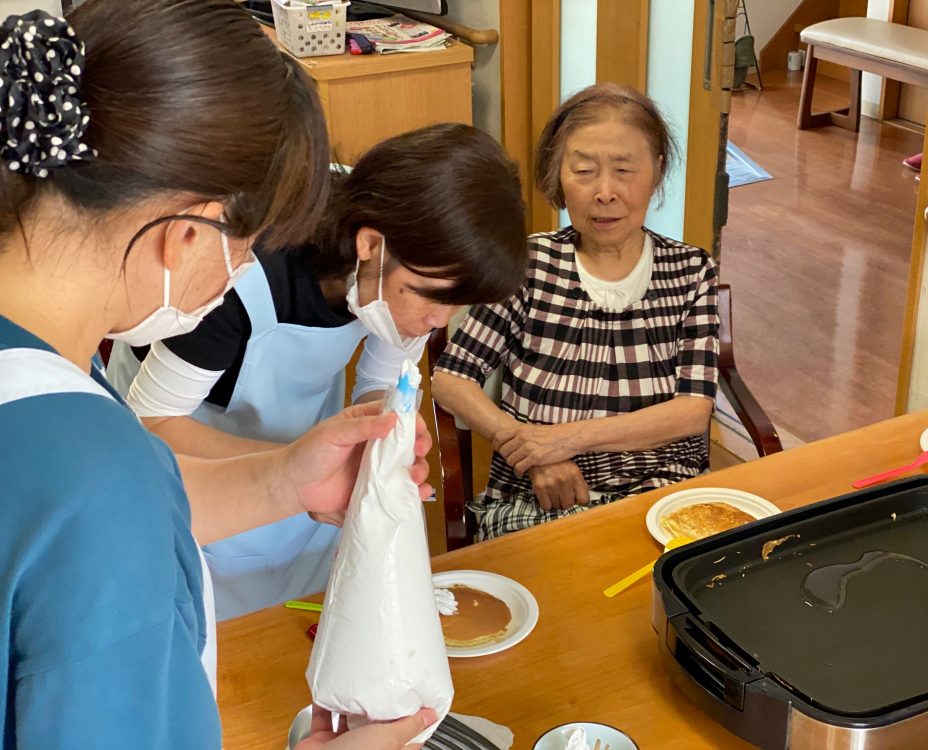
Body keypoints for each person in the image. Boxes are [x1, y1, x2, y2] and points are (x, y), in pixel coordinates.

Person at [0, 2, 434, 747]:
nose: (238, 273)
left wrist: (288, 480)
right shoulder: (96, 475)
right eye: (248, 245)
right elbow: (108, 515)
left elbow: (116, 517)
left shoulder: (48, 382)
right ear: (187, 233)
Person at [106, 124, 527, 619]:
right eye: (431, 297)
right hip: (196, 485)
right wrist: (301, 468)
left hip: (302, 480)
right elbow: (151, 424)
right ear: (369, 244)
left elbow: (380, 383)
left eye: (457, 304)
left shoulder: (401, 255)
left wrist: (381, 441)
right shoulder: (239, 275)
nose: (438, 321)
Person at [432, 83, 720, 539]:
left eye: (624, 170)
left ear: (657, 170)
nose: (605, 192)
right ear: (558, 175)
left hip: (663, 491)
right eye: (584, 170)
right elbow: (450, 378)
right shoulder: (528, 265)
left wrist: (565, 439)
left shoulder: (691, 270)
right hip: (538, 495)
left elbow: (692, 411)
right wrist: (532, 456)